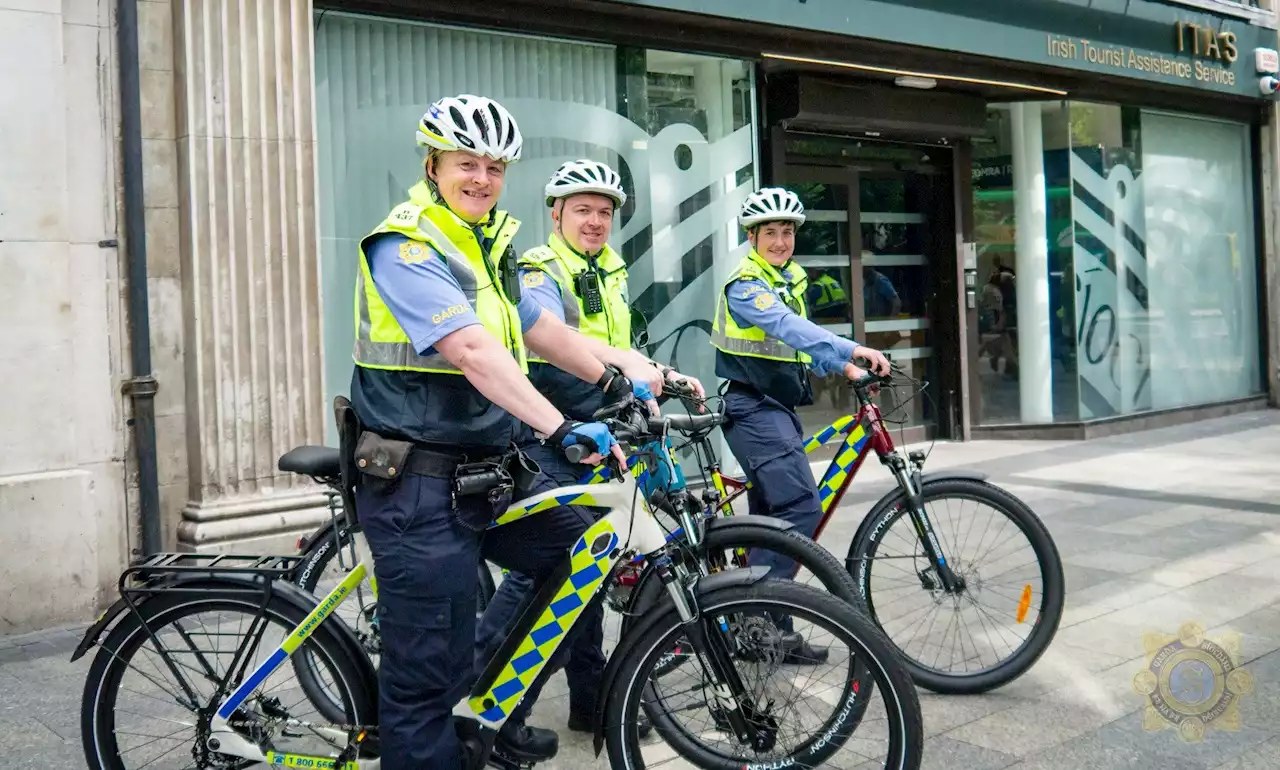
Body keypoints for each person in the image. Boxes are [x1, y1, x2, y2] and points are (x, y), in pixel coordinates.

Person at [349, 94, 664, 770]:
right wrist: (561, 427)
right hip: (416, 482)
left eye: (495, 167)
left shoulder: (486, 245)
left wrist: (623, 375)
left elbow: (542, 332)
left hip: (483, 471)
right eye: (468, 163)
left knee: (581, 550)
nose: (482, 179)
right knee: (422, 680)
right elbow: (471, 351)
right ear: (434, 166)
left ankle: (490, 707)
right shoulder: (405, 244)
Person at [482, 159, 704, 737]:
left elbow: (614, 347)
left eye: (604, 212)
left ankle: (590, 698)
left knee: (591, 570)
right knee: (551, 572)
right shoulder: (538, 269)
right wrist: (612, 390)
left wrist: (652, 382)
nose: (595, 221)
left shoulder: (609, 269)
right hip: (550, 433)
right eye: (582, 209)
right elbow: (552, 351)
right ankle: (491, 706)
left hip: (595, 430)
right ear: (555, 213)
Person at [710, 187, 891, 662]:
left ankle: (773, 634)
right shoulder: (746, 284)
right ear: (752, 237)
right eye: (770, 232)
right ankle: (748, 613)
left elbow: (801, 345)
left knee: (771, 524)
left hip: (775, 410)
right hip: (752, 410)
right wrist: (852, 348)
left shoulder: (787, 278)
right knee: (801, 512)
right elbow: (789, 328)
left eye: (787, 232)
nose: (780, 240)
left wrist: (847, 369)